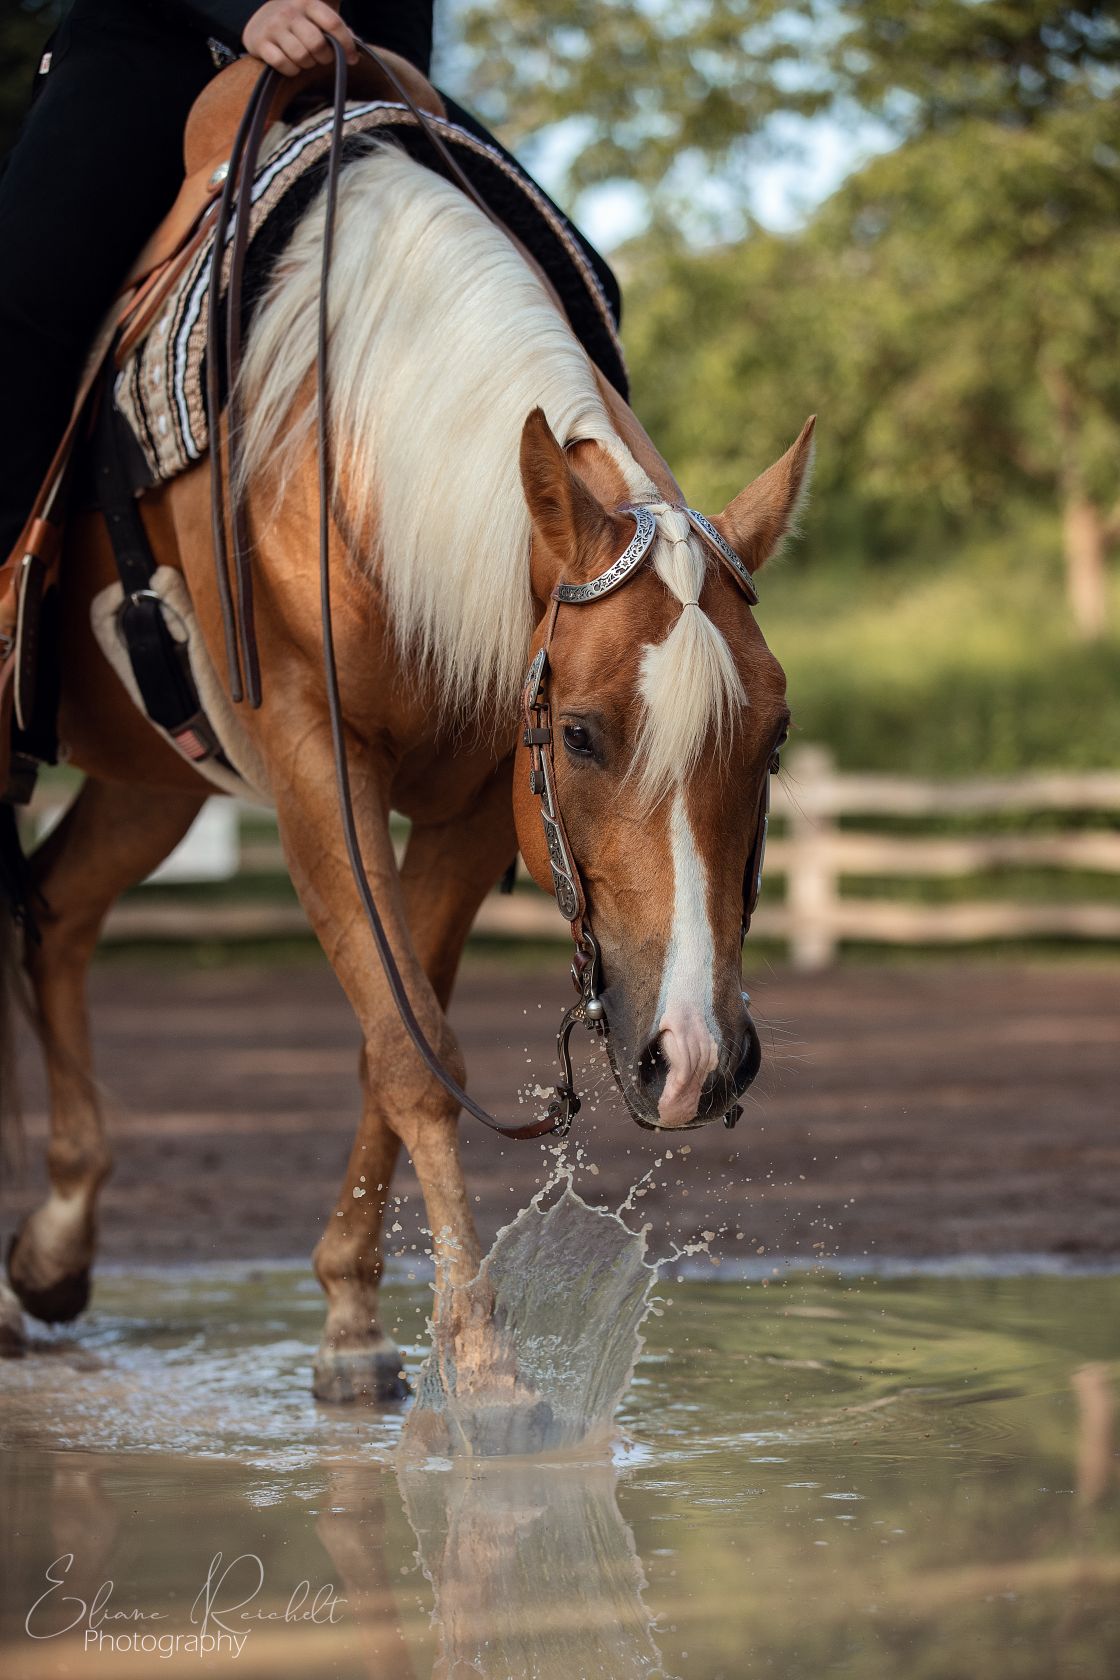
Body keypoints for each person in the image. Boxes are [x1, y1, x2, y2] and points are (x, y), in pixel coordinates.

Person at [0, 1, 435, 567]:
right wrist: (247, 9)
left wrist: (396, 63)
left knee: (566, 269)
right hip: (156, 45)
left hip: (353, 65)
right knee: (17, 302)